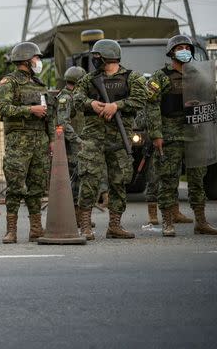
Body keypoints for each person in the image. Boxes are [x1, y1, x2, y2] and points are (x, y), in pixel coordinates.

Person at [73, 39, 147, 240]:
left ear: (106, 57)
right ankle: (85, 226)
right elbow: (76, 98)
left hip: (119, 138)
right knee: (89, 179)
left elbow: (141, 99)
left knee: (119, 181)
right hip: (93, 138)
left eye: (97, 57)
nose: (94, 60)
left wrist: (116, 106)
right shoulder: (89, 79)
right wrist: (92, 104)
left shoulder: (132, 78)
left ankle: (115, 225)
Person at [145, 35, 217, 236]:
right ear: (171, 52)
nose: (184, 50)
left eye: (187, 47)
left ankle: (201, 221)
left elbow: (211, 98)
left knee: (197, 179)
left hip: (195, 132)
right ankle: (168, 222)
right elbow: (151, 107)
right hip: (170, 134)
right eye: (180, 47)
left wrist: (198, 104)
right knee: (168, 178)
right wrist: (156, 134)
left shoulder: (199, 76)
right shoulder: (160, 77)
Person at [0, 42, 53, 244]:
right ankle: (11, 231)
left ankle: (36, 228)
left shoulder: (39, 84)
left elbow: (49, 114)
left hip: (40, 141)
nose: (39, 62)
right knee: (15, 186)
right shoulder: (9, 82)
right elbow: (3, 108)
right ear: (27, 60)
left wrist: (52, 140)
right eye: (36, 58)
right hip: (18, 143)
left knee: (36, 186)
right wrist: (30, 110)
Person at [56, 66, 86, 227]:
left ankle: (80, 214)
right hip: (73, 145)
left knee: (80, 177)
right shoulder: (65, 98)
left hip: (79, 142)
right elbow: (63, 122)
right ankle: (75, 216)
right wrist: (77, 140)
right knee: (74, 179)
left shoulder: (76, 96)